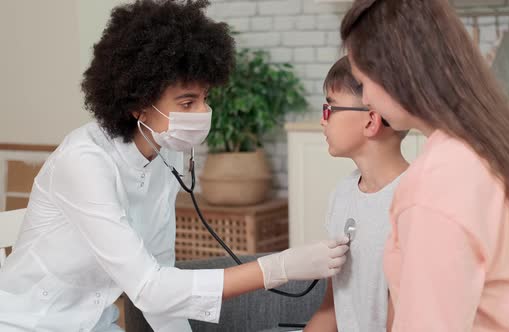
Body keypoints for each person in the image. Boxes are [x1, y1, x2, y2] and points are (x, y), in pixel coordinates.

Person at [0, 1, 349, 331]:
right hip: (31, 323)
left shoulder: (166, 154)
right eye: (187, 102)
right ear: (138, 103)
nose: (202, 113)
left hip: (95, 324)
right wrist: (279, 267)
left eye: (204, 99)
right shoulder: (84, 162)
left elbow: (162, 278)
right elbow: (149, 288)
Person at [340, 0, 509, 331]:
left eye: (363, 83)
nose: (366, 100)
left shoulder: (438, 183)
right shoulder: (494, 149)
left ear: (396, 72)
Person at [304, 57, 408, 332]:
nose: (322, 120)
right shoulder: (342, 194)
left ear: (371, 120)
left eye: (330, 108)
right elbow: (332, 308)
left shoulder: (412, 204)